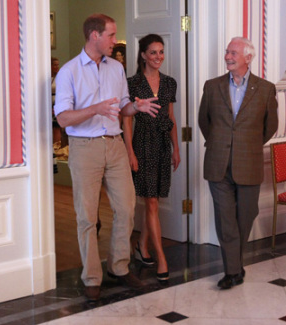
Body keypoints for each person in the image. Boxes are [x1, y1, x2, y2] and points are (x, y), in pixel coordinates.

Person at [54, 13, 160, 301]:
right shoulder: (69, 72)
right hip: (84, 147)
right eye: (111, 35)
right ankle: (91, 277)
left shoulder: (116, 68)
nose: (116, 40)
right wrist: (94, 109)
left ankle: (119, 267)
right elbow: (63, 118)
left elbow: (122, 106)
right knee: (87, 216)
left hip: (114, 145)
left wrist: (135, 107)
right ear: (94, 36)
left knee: (126, 208)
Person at [198, 37, 278, 289]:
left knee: (246, 216)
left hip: (249, 163)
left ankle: (235, 263)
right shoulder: (212, 86)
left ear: (248, 57)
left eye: (233, 53)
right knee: (225, 219)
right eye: (227, 52)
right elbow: (204, 121)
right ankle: (232, 271)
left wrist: (248, 146)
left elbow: (270, 126)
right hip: (217, 164)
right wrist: (220, 144)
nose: (228, 56)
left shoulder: (265, 89)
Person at [123, 34, 180, 280]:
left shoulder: (169, 83)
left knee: (152, 200)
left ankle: (141, 246)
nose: (158, 57)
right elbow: (126, 119)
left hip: (162, 145)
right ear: (144, 55)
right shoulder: (132, 83)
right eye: (153, 52)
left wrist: (176, 147)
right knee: (153, 203)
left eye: (161, 52)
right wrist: (130, 152)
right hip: (143, 143)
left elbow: (171, 118)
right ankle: (161, 259)